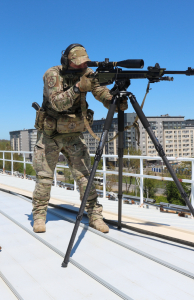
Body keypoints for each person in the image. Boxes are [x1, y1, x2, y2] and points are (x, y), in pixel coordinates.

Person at [32, 44, 128, 233]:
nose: (80, 68)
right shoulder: (53, 74)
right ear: (66, 62)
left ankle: (95, 215)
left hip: (73, 134)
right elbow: (57, 103)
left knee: (85, 177)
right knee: (44, 178)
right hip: (49, 134)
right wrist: (77, 88)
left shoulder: (88, 73)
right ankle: (39, 216)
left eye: (83, 64)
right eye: (76, 64)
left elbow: (101, 93)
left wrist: (114, 101)